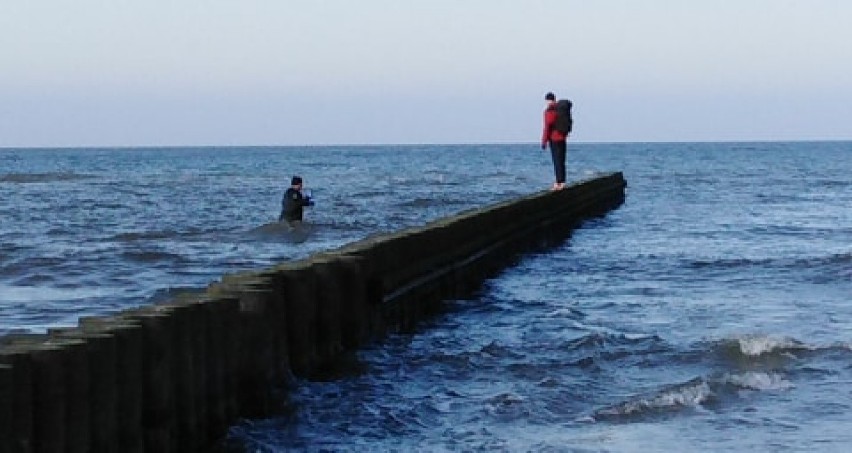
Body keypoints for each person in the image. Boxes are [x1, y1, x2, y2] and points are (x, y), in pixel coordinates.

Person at [541, 91, 570, 190]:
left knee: (557, 161)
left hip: (554, 138)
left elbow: (547, 126)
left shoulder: (549, 111)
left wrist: (544, 141)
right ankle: (562, 182)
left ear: (547, 100)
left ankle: (558, 183)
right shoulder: (560, 109)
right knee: (562, 160)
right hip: (563, 137)